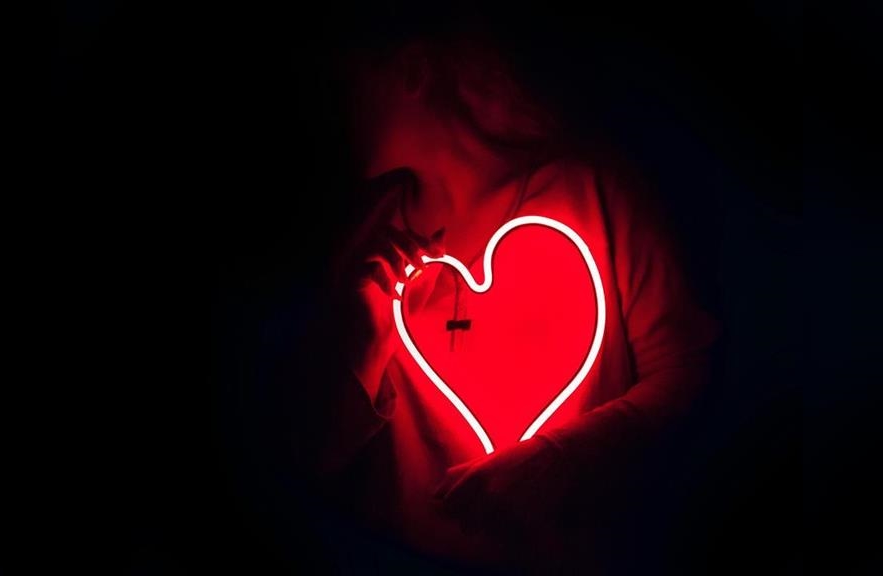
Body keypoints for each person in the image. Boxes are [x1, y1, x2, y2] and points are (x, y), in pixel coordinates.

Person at [300, 31, 720, 574]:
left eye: (346, 74)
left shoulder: (593, 192)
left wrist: (563, 456)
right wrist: (363, 347)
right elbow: (314, 462)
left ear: (413, 72)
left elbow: (691, 373)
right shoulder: (367, 240)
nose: (327, 94)